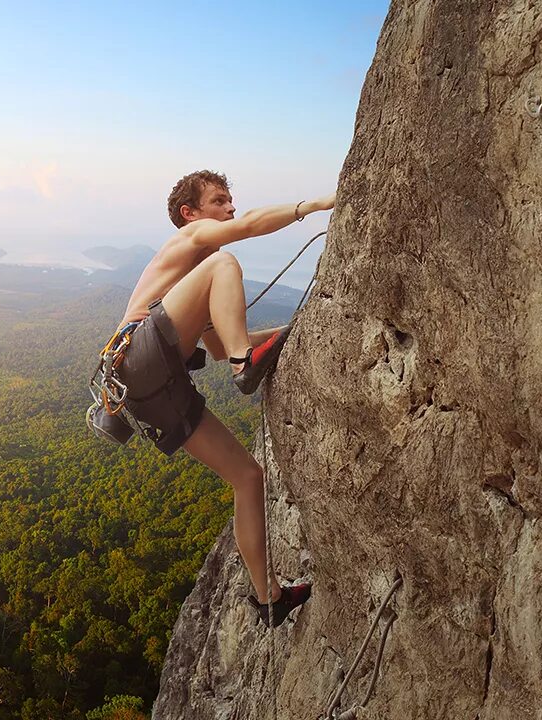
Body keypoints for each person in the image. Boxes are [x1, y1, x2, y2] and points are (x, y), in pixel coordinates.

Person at [113, 170, 334, 628]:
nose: (230, 208)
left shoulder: (193, 287)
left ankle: (267, 596)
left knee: (247, 477)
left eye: (231, 201)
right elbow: (249, 227)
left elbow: (218, 347)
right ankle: (246, 364)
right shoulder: (193, 240)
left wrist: (295, 328)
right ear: (189, 214)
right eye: (220, 201)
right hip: (138, 355)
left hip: (148, 390)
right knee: (226, 261)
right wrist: (310, 206)